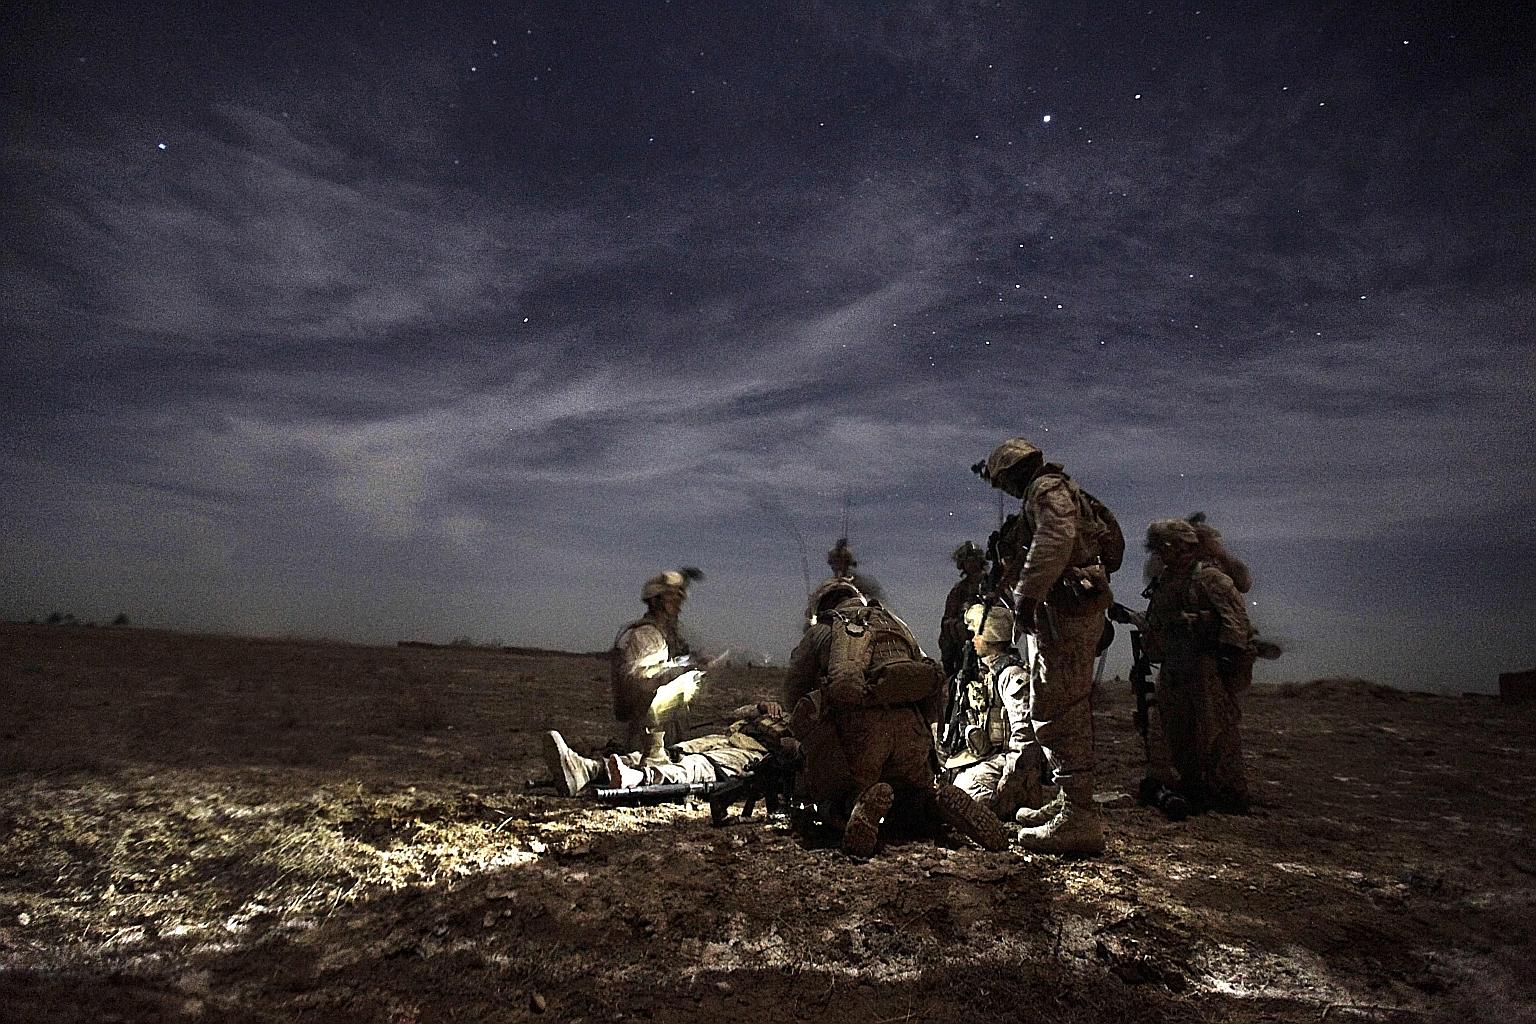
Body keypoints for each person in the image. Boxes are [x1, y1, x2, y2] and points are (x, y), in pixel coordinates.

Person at [785, 563, 1008, 858]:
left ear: (823, 607)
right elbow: (926, 675)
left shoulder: (826, 630)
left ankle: (855, 806)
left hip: (861, 735)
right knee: (911, 799)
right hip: (912, 730)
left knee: (828, 793)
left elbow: (794, 691)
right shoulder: (893, 624)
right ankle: (935, 804)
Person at [978, 437, 1121, 855]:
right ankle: (1068, 801)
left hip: (1064, 612)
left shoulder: (1045, 490)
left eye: (1001, 480)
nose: (1002, 490)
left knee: (1059, 707)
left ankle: (1079, 817)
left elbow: (1055, 537)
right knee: (1055, 703)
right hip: (1062, 610)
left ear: (1011, 472)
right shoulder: (1056, 489)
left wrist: (1027, 595)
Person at [1139, 517, 1257, 812]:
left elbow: (1236, 624)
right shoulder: (1166, 581)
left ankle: (1229, 793)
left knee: (1217, 730)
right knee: (1176, 729)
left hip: (1205, 666)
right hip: (1175, 665)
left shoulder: (1210, 579)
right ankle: (1193, 786)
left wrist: (1224, 663)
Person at [542, 701, 791, 796]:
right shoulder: (794, 708)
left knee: (699, 767)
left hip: (756, 754)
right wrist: (760, 707)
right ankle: (587, 769)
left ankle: (637, 777)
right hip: (730, 736)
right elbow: (734, 715)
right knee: (667, 751)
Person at [950, 602, 1048, 822]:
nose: (973, 639)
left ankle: (1011, 806)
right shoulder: (988, 673)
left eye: (977, 633)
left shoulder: (1011, 676)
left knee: (963, 793)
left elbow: (1024, 736)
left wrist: (1010, 781)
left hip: (1010, 763)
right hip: (991, 756)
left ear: (992, 636)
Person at [611, 567, 714, 761]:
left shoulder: (667, 635)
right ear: (656, 601)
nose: (678, 605)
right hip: (648, 727)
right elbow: (643, 682)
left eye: (679, 599)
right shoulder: (646, 636)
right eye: (672, 598)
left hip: (670, 723)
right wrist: (688, 666)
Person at [939, 541, 987, 678]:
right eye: (968, 561)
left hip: (990, 634)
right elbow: (948, 618)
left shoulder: (993, 583)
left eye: (974, 560)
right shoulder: (959, 590)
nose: (971, 564)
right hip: (964, 640)